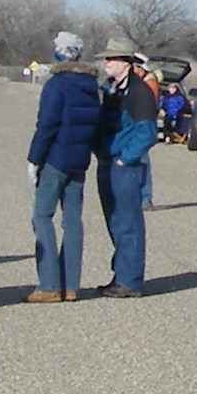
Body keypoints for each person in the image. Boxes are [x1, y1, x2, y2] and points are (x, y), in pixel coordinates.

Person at [26, 32, 104, 303]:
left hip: (55, 159)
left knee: (42, 216)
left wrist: (34, 158)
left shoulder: (56, 85)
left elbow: (46, 125)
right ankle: (71, 284)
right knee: (73, 221)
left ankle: (48, 284)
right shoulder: (90, 85)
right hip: (79, 160)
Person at [94, 38, 162, 297]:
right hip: (107, 162)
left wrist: (125, 159)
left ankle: (131, 281)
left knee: (128, 223)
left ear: (126, 62)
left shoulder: (140, 92)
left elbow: (147, 133)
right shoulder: (110, 90)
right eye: (106, 58)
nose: (106, 62)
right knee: (114, 222)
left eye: (112, 58)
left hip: (124, 167)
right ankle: (120, 275)